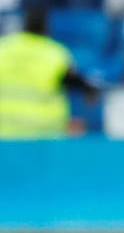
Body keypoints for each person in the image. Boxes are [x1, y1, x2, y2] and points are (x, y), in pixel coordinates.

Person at [0, 7, 98, 138]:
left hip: (4, 132)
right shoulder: (54, 53)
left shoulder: (4, 48)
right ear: (46, 26)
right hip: (44, 133)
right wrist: (89, 87)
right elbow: (74, 81)